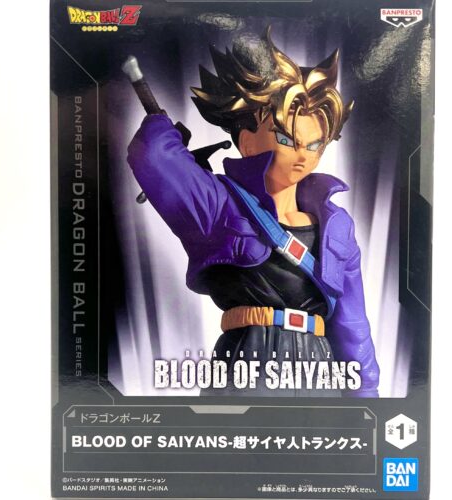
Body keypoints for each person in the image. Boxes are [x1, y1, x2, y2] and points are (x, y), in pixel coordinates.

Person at [127, 28, 379, 397]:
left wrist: (366, 404)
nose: (303, 155)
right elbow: (152, 156)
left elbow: (352, 326)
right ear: (246, 141)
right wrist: (167, 132)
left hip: (319, 369)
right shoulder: (220, 204)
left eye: (314, 144)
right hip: (247, 359)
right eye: (287, 139)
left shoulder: (336, 225)